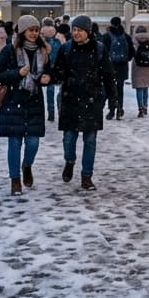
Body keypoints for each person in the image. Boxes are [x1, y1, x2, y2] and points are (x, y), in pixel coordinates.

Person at [50, 15, 116, 191]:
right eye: (74, 30)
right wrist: (58, 77)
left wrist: (112, 100)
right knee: (69, 139)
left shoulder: (100, 49)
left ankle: (87, 175)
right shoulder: (65, 49)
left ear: (88, 31)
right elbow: (57, 71)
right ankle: (69, 161)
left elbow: (109, 76)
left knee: (90, 140)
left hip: (92, 100)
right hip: (70, 99)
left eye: (80, 30)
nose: (76, 33)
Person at [0, 15, 52, 196]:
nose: (34, 33)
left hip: (34, 100)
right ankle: (15, 179)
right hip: (13, 99)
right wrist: (17, 73)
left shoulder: (43, 51)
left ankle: (27, 165)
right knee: (15, 142)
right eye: (30, 30)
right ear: (22, 32)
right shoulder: (9, 51)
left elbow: (49, 72)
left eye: (36, 30)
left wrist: (47, 78)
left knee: (33, 142)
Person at [102, 16, 134, 120]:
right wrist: (126, 59)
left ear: (111, 24)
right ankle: (119, 108)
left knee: (111, 88)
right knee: (120, 88)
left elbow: (103, 52)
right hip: (122, 66)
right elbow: (132, 51)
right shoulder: (126, 36)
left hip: (110, 66)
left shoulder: (106, 36)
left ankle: (111, 110)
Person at [40, 18, 60, 121]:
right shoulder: (57, 40)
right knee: (54, 89)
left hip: (44, 66)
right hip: (55, 66)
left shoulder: (41, 40)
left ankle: (49, 112)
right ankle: (54, 111)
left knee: (42, 90)